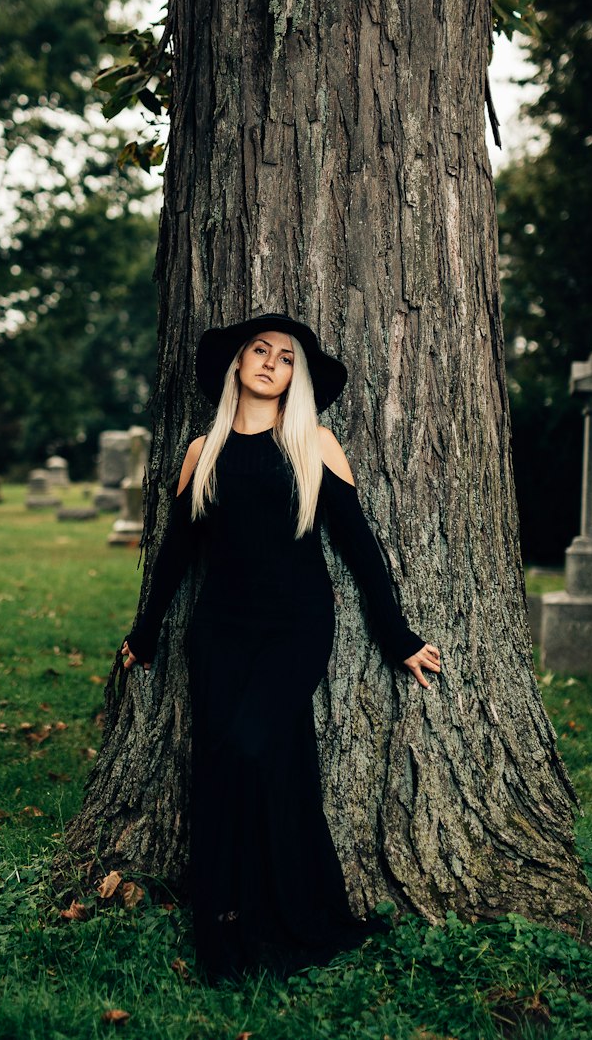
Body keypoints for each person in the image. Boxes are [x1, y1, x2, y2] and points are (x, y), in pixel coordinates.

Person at [119, 313, 441, 981]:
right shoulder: (201, 451)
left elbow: (360, 550)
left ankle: (294, 913)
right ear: (238, 364)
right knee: (231, 767)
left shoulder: (314, 443)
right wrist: (143, 634)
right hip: (219, 633)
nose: (271, 363)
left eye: (286, 357)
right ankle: (229, 921)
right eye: (260, 351)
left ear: (296, 376)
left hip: (295, 628)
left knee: (249, 748)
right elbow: (174, 556)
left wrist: (398, 636)